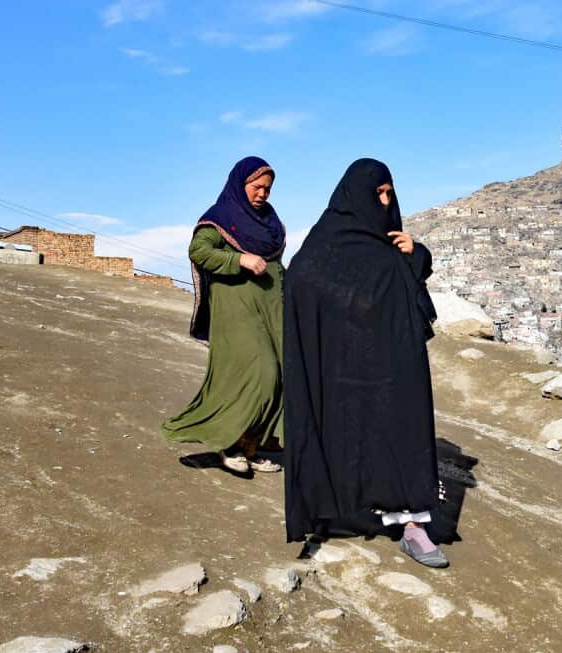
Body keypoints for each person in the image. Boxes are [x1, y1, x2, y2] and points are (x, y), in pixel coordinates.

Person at [282, 158, 446, 568]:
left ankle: (412, 526)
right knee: (341, 431)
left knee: (402, 434)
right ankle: (334, 509)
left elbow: (409, 293)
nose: (386, 201)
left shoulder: (391, 245)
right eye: (378, 194)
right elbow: (302, 281)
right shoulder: (325, 243)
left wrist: (417, 253)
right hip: (340, 368)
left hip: (392, 366)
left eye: (390, 193)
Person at [162, 156, 287, 474]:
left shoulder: (271, 224)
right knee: (261, 373)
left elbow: (277, 267)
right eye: (257, 187)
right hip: (235, 310)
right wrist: (240, 260)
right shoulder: (220, 217)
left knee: (280, 379)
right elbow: (199, 251)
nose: (262, 194)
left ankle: (249, 446)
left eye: (268, 189)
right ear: (239, 183)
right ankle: (227, 445)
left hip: (270, 310)